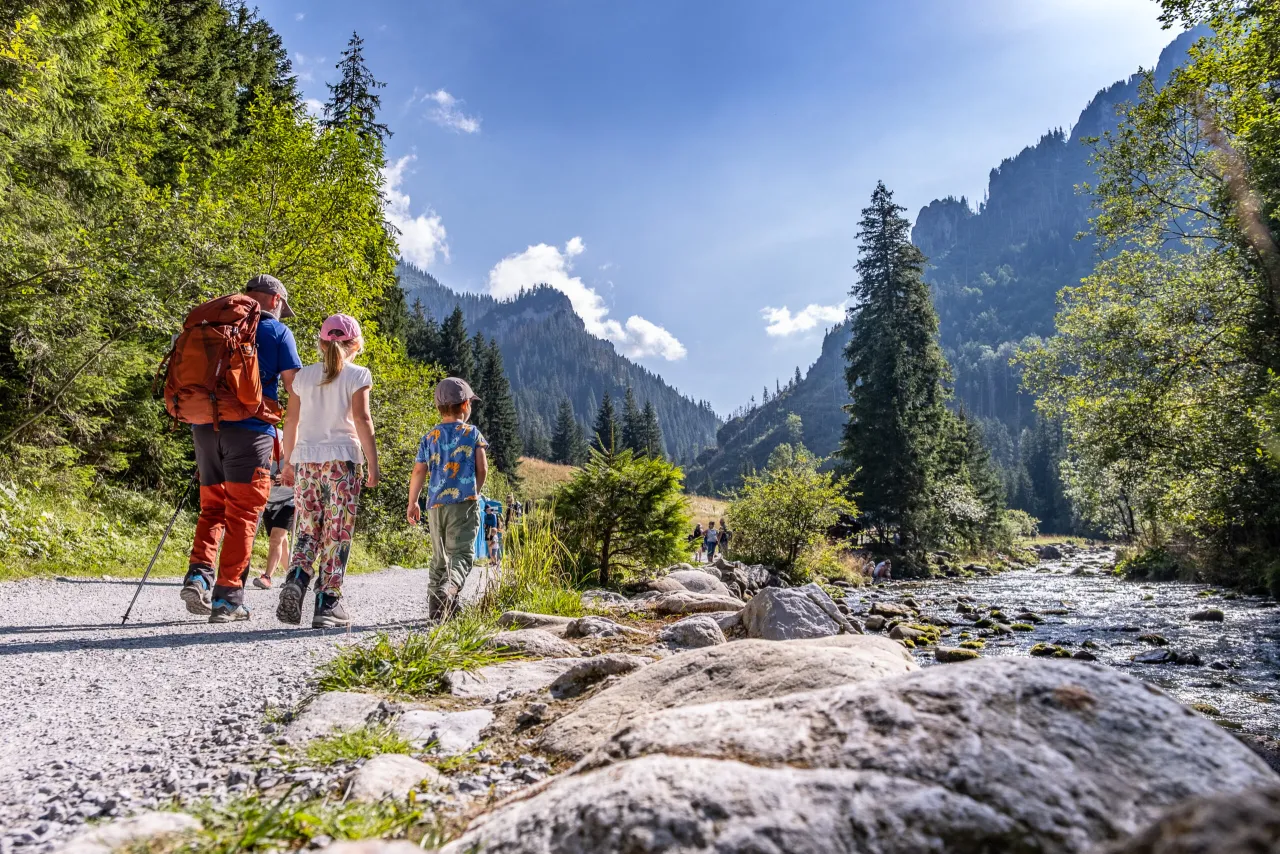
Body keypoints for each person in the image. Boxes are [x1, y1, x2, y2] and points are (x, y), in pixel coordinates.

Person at [181, 274, 302, 623]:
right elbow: (295, 388)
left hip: (204, 428)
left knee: (212, 507)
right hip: (250, 432)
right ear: (276, 300)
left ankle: (199, 576)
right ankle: (229, 598)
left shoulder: (216, 323)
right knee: (244, 514)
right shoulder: (278, 332)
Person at [276, 314, 379, 628]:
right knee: (337, 532)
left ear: (321, 343)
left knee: (308, 529)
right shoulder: (358, 375)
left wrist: (288, 463)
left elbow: (290, 422)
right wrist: (373, 464)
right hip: (343, 463)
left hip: (307, 462)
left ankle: (296, 579)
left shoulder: (302, 378)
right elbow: (362, 421)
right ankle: (328, 603)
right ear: (356, 345)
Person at [406, 377, 489, 621]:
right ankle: (449, 590)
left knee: (439, 556)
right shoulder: (472, 433)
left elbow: (419, 471)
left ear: (438, 407)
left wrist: (413, 503)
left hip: (435, 506)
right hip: (463, 503)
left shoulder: (429, 437)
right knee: (461, 554)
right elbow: (481, 468)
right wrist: (477, 489)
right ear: (465, 406)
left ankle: (437, 605)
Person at [252, 440, 295, 590]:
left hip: (288, 502)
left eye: (276, 444)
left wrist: (283, 479)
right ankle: (292, 576)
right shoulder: (264, 457)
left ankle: (267, 577)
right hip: (268, 503)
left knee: (276, 538)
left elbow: (302, 479)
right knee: (281, 542)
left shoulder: (292, 457)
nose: (273, 449)